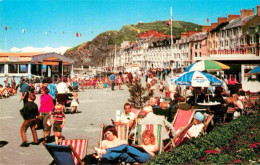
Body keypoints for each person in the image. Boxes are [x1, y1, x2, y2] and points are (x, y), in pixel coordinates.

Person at [93, 129, 158, 163]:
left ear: (151, 138)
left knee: (126, 146)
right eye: (144, 137)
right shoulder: (141, 145)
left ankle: (104, 151)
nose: (145, 139)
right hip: (136, 158)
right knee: (122, 153)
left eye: (147, 138)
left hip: (146, 158)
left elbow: (153, 154)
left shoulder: (154, 145)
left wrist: (143, 147)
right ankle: (101, 156)